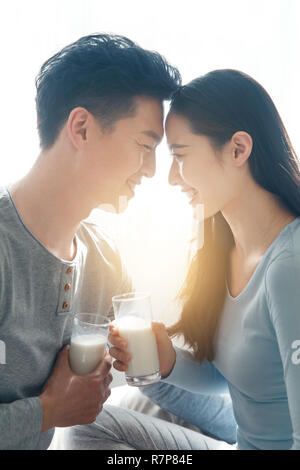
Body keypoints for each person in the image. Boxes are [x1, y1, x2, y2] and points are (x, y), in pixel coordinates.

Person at [64, 69, 300, 450]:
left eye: (180, 156)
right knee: (107, 411)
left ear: (238, 149)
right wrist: (168, 359)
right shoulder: (225, 249)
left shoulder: (289, 266)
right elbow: (241, 377)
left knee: (95, 426)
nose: (171, 177)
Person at [0, 33, 181, 450]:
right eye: (144, 145)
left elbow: (148, 373)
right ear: (81, 128)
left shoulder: (102, 260)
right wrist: (48, 411)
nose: (152, 170)